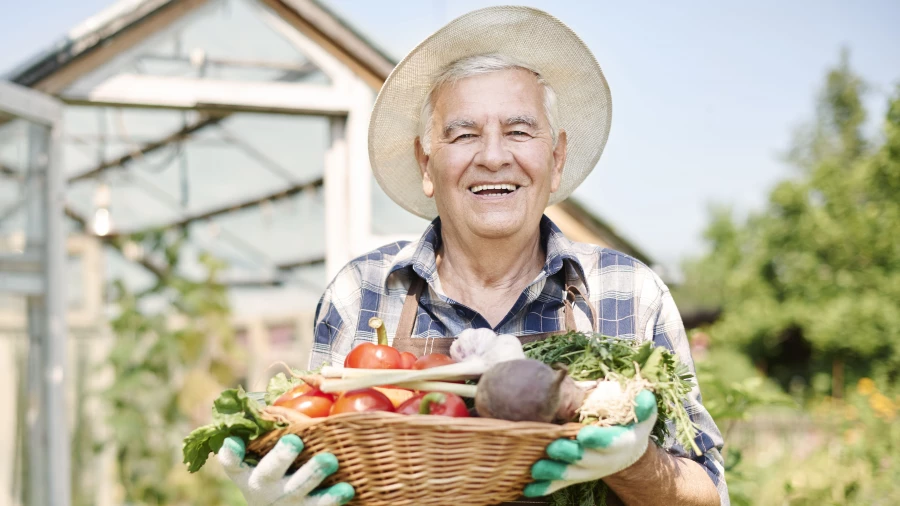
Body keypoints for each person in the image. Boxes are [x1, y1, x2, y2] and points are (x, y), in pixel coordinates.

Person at [219, 6, 728, 506]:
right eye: (464, 134)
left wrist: (636, 463)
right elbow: (326, 454)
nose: (492, 155)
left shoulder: (628, 293)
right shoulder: (364, 293)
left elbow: (709, 493)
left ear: (555, 160)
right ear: (426, 163)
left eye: (519, 131)